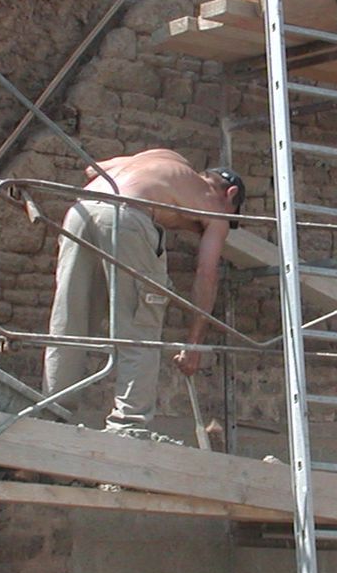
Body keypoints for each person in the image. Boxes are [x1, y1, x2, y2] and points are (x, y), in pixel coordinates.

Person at [41, 149, 244, 435]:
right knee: (139, 326)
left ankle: (51, 417)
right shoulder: (215, 206)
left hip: (81, 211)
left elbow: (93, 170)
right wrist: (193, 345)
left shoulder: (164, 158)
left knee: (69, 320)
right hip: (127, 217)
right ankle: (129, 426)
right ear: (230, 194)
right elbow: (206, 276)